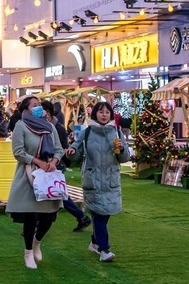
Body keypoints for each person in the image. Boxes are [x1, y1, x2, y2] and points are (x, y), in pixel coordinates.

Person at [71, 101, 132, 263]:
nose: (104, 115)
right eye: (100, 112)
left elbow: (124, 158)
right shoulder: (87, 132)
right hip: (93, 180)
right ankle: (104, 249)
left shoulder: (116, 132)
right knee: (98, 215)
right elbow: (76, 152)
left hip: (111, 180)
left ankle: (94, 241)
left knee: (105, 215)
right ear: (95, 114)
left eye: (107, 112)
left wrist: (122, 149)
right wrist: (71, 152)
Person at [8, 96, 64, 270]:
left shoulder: (49, 127)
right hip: (28, 175)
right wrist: (37, 161)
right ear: (26, 109)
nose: (39, 107)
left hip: (48, 176)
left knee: (49, 216)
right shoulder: (21, 126)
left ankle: (36, 242)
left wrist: (54, 161)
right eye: (34, 105)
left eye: (39, 104)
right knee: (31, 216)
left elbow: (59, 149)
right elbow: (18, 152)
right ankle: (28, 252)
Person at [42, 101, 91, 233]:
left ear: (48, 113)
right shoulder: (45, 126)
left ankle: (81, 217)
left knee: (59, 194)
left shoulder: (57, 127)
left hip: (56, 165)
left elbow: (63, 147)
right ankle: (81, 217)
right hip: (48, 165)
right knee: (58, 194)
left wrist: (56, 160)